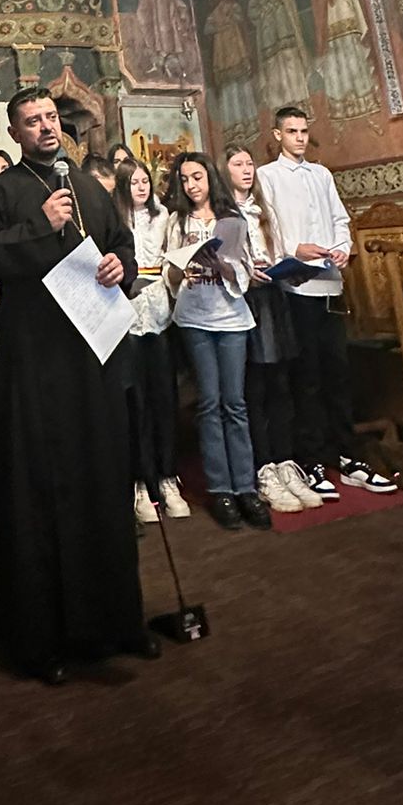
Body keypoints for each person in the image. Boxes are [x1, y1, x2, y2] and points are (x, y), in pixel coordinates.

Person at [0, 87, 156, 684]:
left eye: (51, 117)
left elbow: (121, 243)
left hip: (94, 358)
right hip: (37, 363)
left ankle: (114, 624)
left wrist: (121, 266)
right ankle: (42, 641)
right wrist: (38, 224)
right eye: (33, 121)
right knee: (43, 488)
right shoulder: (0, 191)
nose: (47, 127)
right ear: (16, 132)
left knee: (102, 478)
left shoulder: (89, 187)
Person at [256, 107, 396, 499]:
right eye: (292, 131)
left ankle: (349, 457)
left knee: (338, 373)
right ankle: (312, 460)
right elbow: (268, 226)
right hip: (297, 287)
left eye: (304, 131)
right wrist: (293, 248)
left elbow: (339, 219)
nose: (300, 137)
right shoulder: (267, 176)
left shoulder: (321, 174)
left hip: (331, 284)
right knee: (307, 378)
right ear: (277, 135)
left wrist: (342, 248)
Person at [161, 152, 266, 531]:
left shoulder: (231, 219)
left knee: (235, 403)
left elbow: (245, 273)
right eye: (184, 179)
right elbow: (168, 272)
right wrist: (181, 269)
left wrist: (222, 265)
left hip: (232, 319)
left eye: (197, 177)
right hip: (195, 318)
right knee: (209, 403)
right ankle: (221, 489)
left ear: (209, 178)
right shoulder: (177, 221)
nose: (191, 185)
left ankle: (246, 488)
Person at [224, 146, 316, 516]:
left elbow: (277, 247)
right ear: (225, 171)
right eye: (238, 164)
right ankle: (263, 468)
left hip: (274, 299)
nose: (247, 170)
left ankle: (285, 462)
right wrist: (248, 271)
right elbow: (224, 260)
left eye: (249, 164)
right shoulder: (225, 213)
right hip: (245, 302)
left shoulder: (264, 210)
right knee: (255, 387)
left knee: (281, 383)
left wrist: (287, 267)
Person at [114, 159, 187, 525]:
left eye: (145, 180)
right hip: (125, 317)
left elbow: (173, 260)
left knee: (163, 399)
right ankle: (141, 483)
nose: (141, 187)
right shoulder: (114, 220)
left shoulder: (165, 218)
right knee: (136, 404)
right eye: (133, 182)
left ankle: (168, 477)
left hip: (159, 314)